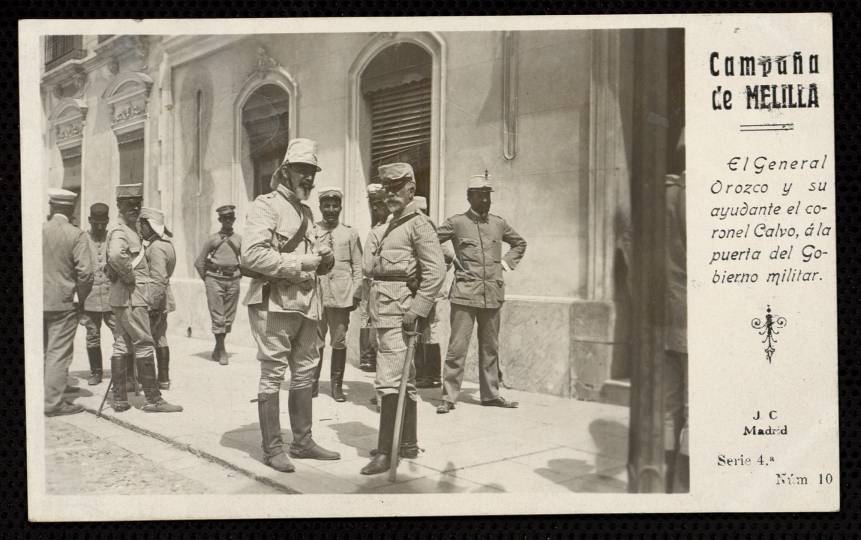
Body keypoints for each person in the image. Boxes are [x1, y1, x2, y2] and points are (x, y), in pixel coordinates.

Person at [242, 138, 340, 473]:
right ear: (285, 171)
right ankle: (272, 449)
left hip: (308, 304)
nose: (309, 179)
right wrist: (303, 264)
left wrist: (326, 260)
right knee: (273, 373)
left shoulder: (308, 213)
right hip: (276, 302)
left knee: (305, 372)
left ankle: (303, 441)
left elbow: (319, 258)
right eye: (302, 171)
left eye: (312, 172)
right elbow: (253, 255)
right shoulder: (266, 206)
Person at [360, 163, 445, 475]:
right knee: (404, 382)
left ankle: (386, 452)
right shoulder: (390, 225)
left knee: (388, 382)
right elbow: (370, 268)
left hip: (401, 316)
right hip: (384, 314)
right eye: (387, 187)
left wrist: (416, 311)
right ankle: (407, 443)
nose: (391, 193)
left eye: (397, 187)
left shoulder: (419, 225)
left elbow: (436, 273)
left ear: (411, 187)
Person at [435, 172, 527, 414]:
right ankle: (449, 396)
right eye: (480, 196)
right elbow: (431, 240)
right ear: (469, 197)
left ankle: (490, 394)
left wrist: (505, 264)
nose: (485, 200)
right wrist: (451, 257)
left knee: (490, 347)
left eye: (488, 196)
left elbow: (520, 243)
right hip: (465, 292)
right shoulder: (456, 223)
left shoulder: (499, 223)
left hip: (492, 292)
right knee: (457, 347)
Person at [106, 183, 182, 413]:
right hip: (132, 296)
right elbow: (115, 256)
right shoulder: (121, 232)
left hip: (123, 298)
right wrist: (129, 276)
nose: (134, 208)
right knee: (145, 343)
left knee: (121, 344)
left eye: (137, 204)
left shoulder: (132, 231)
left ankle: (119, 399)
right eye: (129, 204)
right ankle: (153, 399)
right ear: (119, 206)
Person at [43, 188, 93, 416]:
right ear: (71, 209)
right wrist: (81, 299)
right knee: (58, 352)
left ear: (52, 207)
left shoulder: (38, 229)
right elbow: (86, 274)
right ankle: (52, 403)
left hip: (36, 301)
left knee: (41, 350)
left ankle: (42, 393)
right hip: (63, 302)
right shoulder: (76, 234)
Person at [313, 187, 362, 402]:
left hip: (342, 296)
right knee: (315, 342)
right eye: (327, 206)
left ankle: (336, 386)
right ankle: (312, 384)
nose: (331, 210)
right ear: (321, 207)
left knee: (339, 341)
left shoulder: (350, 233)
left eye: (334, 206)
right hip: (318, 295)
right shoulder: (313, 230)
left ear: (340, 207)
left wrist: (357, 293)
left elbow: (358, 266)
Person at [413, 196, 454, 389]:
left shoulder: (430, 231)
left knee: (430, 333)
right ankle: (421, 374)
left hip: (430, 291)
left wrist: (438, 276)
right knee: (419, 332)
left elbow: (449, 257)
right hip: (416, 289)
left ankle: (433, 375)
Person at [664, 169, 688, 493]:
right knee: (693, 409)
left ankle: (663, 488)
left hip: (664, 317)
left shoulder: (659, 197)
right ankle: (684, 491)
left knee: (668, 409)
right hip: (695, 315)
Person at [195, 205, 242, 365]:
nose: (228, 221)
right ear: (220, 220)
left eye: (231, 218)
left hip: (233, 280)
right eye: (225, 218)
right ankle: (222, 350)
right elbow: (199, 262)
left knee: (228, 318)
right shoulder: (213, 239)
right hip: (215, 279)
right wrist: (208, 280)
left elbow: (246, 260)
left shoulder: (239, 239)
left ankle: (218, 347)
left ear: (234, 219)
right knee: (218, 317)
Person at [141, 207, 176, 390]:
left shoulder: (155, 248)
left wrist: (152, 305)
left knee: (147, 339)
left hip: (153, 299)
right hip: (162, 297)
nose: (140, 229)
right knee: (161, 337)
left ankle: (149, 381)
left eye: (143, 225)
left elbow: (159, 278)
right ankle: (163, 379)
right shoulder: (166, 244)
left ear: (150, 226)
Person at [79, 202, 114, 386]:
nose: (100, 227)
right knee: (92, 335)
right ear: (89, 220)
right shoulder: (81, 238)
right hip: (90, 297)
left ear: (108, 221)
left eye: (103, 223)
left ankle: (124, 373)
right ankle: (96, 372)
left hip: (112, 297)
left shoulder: (113, 237)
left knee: (120, 334)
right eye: (96, 223)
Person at [358, 183, 390, 373]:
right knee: (365, 319)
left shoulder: (392, 226)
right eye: (372, 204)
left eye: (379, 203)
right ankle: (367, 357)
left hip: (385, 284)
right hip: (367, 282)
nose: (376, 208)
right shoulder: (374, 226)